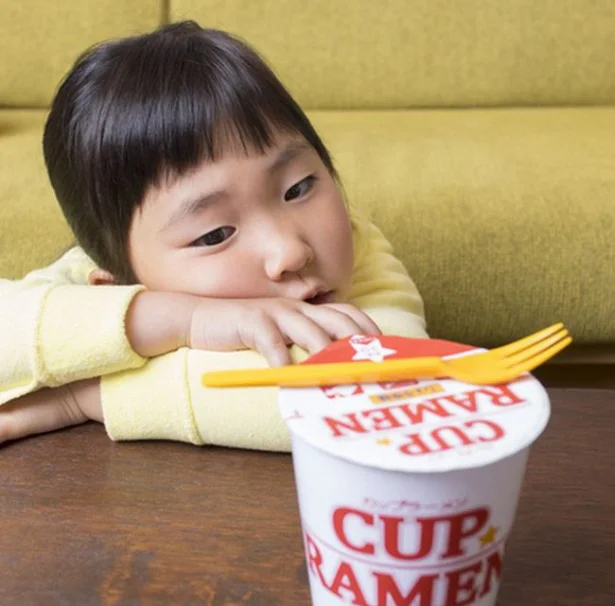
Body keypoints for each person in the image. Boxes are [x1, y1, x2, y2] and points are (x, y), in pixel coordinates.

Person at [0, 21, 427, 449]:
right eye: (215, 234)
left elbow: (389, 398)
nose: (290, 251)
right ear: (116, 281)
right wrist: (184, 320)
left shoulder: (357, 245)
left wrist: (85, 396)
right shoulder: (94, 278)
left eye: (298, 188)